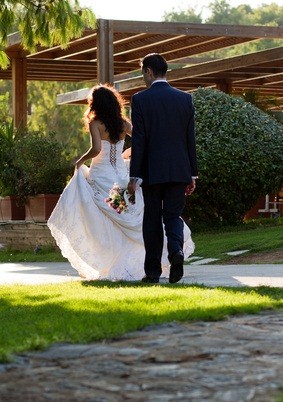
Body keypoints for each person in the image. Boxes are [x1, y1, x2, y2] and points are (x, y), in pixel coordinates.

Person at [48, 83, 195, 281]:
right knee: (124, 215)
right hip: (121, 177)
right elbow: (143, 139)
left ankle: (115, 260)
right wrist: (129, 152)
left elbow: (97, 150)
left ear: (95, 104)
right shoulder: (123, 123)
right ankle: (163, 252)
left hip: (102, 176)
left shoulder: (96, 123)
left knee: (108, 217)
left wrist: (80, 160)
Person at [128, 53, 198, 284]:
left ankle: (153, 272)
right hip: (179, 169)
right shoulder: (184, 99)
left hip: (152, 171)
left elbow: (139, 141)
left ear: (148, 71)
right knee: (173, 215)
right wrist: (192, 174)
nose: (143, 78)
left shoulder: (140, 100)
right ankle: (176, 251)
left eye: (143, 73)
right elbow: (190, 139)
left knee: (152, 220)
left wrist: (134, 176)